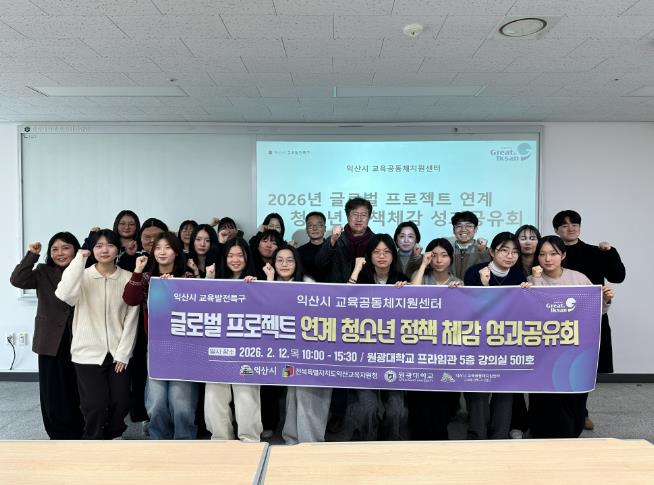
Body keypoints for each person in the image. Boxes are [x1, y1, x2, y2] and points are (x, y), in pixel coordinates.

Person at [527, 235, 614, 438]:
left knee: (572, 392)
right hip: (544, 349)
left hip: (573, 347)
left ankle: (572, 432)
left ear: (563, 255)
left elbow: (595, 311)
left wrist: (605, 299)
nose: (547, 259)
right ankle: (539, 431)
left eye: (553, 253)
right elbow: (535, 310)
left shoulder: (579, 278)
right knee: (544, 394)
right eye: (542, 254)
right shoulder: (531, 280)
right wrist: (537, 280)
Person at [55, 229, 139, 440]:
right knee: (95, 404)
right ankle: (92, 441)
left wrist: (124, 352)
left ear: (117, 249)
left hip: (118, 353)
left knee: (121, 401)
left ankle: (115, 436)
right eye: (99, 246)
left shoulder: (128, 278)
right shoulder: (82, 276)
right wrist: (78, 260)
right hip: (87, 352)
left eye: (110, 245)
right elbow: (65, 295)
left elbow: (131, 318)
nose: (104, 250)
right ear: (91, 250)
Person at [552, 210, 625, 430]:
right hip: (556, 319)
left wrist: (610, 252)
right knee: (555, 365)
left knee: (583, 367)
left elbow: (618, 276)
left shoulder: (595, 252)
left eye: (574, 224)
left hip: (590, 318)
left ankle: (581, 413)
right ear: (556, 230)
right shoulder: (551, 253)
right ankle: (558, 413)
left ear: (580, 227)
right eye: (564, 225)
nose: (570, 228)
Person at [123, 232, 199, 439]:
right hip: (156, 346)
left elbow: (199, 308)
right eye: (158, 248)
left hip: (185, 347)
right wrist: (138, 270)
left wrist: (174, 287)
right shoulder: (148, 278)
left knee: (180, 400)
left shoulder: (187, 277)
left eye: (167, 247)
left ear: (176, 252)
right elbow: (130, 299)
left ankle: (184, 440)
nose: (162, 252)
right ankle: (158, 440)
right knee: (156, 401)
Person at [10, 232, 85, 440]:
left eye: (66, 248)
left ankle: (80, 429)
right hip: (50, 339)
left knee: (77, 387)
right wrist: (31, 255)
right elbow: (17, 280)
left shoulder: (85, 270)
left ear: (76, 250)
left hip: (79, 337)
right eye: (55, 249)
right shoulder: (43, 271)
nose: (60, 253)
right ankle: (57, 433)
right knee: (52, 390)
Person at [260, 245, 331, 445]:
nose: (284, 264)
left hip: (310, 351)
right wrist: (269, 280)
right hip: (284, 351)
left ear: (297, 263)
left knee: (305, 393)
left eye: (289, 260)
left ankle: (310, 443)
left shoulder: (307, 283)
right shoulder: (270, 283)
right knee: (292, 393)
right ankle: (292, 441)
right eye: (280, 260)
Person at [463, 232, 527, 440]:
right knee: (479, 390)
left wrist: (528, 291)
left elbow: (521, 310)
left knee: (505, 391)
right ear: (492, 252)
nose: (510, 256)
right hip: (478, 341)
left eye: (515, 252)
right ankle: (477, 436)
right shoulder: (474, 272)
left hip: (507, 342)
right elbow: (470, 308)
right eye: (504, 250)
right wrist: (484, 285)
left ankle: (499, 436)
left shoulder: (518, 276)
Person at [345, 234, 409, 441]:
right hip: (363, 354)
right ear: (369, 256)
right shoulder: (361, 278)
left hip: (393, 355)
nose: (382, 256)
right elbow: (342, 302)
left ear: (393, 255)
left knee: (396, 410)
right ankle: (365, 446)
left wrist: (407, 293)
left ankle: (390, 446)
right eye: (376, 252)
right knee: (367, 408)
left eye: (387, 252)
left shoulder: (401, 280)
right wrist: (356, 270)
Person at [203, 237, 263, 442]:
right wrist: (209, 279)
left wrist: (257, 288)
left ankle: (250, 440)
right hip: (218, 350)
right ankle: (221, 440)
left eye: (240, 255)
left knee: (246, 397)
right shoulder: (216, 280)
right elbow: (200, 307)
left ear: (247, 257)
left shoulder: (257, 281)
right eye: (230, 255)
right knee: (214, 397)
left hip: (247, 351)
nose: (235, 260)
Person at [407, 237, 461, 440]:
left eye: (444, 255)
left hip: (445, 351)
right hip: (419, 348)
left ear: (451, 258)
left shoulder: (457, 282)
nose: (439, 260)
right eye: (434, 255)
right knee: (419, 401)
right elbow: (411, 297)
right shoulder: (420, 276)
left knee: (441, 403)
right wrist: (423, 264)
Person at [131, 217, 168, 424]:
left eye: (158, 237)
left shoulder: (182, 269)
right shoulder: (137, 263)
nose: (152, 241)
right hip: (138, 328)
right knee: (143, 375)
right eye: (147, 237)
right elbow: (130, 297)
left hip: (168, 333)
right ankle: (147, 419)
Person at [510, 224, 541, 438]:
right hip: (515, 327)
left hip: (541, 328)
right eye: (522, 237)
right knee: (516, 377)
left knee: (540, 376)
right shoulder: (510, 264)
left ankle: (538, 422)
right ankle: (517, 423)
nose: (528, 241)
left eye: (532, 237)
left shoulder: (546, 262)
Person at [316, 197, 375, 284]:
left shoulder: (375, 241)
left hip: (367, 290)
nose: (359, 219)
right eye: (355, 214)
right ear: (347, 216)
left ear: (369, 217)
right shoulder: (337, 239)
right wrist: (332, 240)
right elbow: (320, 264)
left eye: (363, 215)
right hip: (338, 289)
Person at [448, 211, 490, 280]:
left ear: (475, 229)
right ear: (453, 230)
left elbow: (488, 268)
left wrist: (483, 251)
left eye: (468, 226)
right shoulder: (447, 250)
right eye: (459, 226)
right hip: (451, 286)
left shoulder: (483, 250)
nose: (463, 229)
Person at [297, 211, 329, 282]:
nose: (315, 228)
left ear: (325, 228)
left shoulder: (332, 249)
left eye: (319, 225)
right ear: (306, 229)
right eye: (310, 225)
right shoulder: (299, 252)